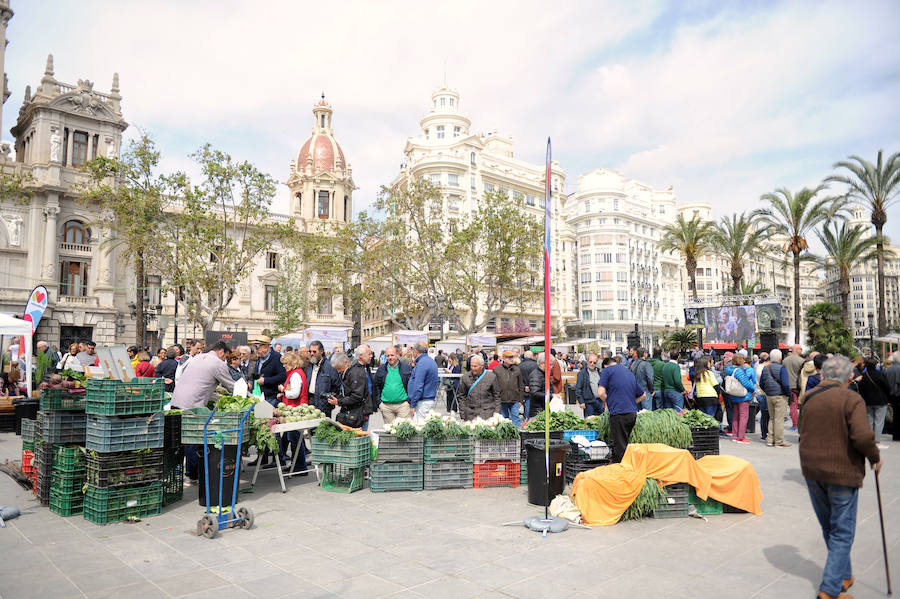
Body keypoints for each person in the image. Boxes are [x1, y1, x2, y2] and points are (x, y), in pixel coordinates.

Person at [798, 355, 881, 599]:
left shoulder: (809, 397)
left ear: (824, 374)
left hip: (812, 470)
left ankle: (844, 575)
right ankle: (829, 590)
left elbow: (802, 430)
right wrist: (875, 457)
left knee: (830, 527)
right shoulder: (850, 398)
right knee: (843, 531)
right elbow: (863, 437)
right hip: (842, 472)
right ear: (848, 377)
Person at [170, 342, 236, 483]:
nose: (225, 360)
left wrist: (218, 396)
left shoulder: (198, 358)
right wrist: (252, 398)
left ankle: (182, 472)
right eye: (226, 357)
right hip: (192, 406)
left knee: (180, 441)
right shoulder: (218, 363)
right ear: (221, 352)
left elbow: (200, 384)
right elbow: (233, 386)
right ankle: (194, 474)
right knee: (193, 440)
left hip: (176, 402)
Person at [597, 360, 645, 463]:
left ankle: (623, 473)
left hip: (619, 413)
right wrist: (631, 402)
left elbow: (600, 393)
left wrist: (610, 401)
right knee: (624, 444)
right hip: (632, 414)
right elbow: (643, 395)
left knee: (620, 448)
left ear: (605, 366)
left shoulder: (607, 370)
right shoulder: (629, 372)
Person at [278, 351, 310, 473]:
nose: (284, 365)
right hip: (295, 409)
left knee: (296, 438)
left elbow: (294, 394)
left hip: (296, 410)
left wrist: (283, 389)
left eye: (285, 363)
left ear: (292, 363)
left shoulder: (296, 375)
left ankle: (300, 466)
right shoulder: (296, 373)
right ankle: (297, 465)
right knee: (294, 438)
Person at [856, 356, 892, 449]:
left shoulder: (863, 376)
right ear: (875, 365)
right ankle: (877, 440)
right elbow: (887, 388)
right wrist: (888, 398)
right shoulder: (881, 375)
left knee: (869, 420)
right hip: (881, 401)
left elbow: (860, 389)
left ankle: (869, 440)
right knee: (879, 421)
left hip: (867, 401)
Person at [759, 348, 792, 448]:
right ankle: (779, 441)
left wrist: (767, 391)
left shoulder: (765, 368)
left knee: (772, 418)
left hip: (769, 395)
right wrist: (789, 394)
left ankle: (770, 440)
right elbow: (786, 384)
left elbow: (761, 383)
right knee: (779, 419)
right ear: (780, 358)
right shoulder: (782, 368)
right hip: (780, 395)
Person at [328, 351, 368, 429]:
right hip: (349, 411)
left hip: (357, 412)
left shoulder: (355, 373)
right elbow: (346, 392)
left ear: (346, 363)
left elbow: (357, 396)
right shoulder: (348, 372)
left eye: (339, 368)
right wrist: (337, 397)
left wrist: (339, 401)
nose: (338, 371)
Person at [373, 345, 412, 424]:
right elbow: (376, 386)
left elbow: (412, 385)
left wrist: (409, 401)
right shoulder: (381, 369)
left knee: (402, 431)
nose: (390, 357)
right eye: (388, 356)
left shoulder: (406, 368)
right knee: (390, 432)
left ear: (397, 355)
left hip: (403, 406)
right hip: (386, 407)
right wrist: (379, 403)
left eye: (392, 355)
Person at [458, 354, 502, 421]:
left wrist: (497, 413)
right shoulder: (465, 377)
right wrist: (463, 414)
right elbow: (462, 396)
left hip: (487, 414)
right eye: (471, 366)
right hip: (471, 414)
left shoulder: (491, 377)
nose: (473, 368)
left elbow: (497, 396)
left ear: (482, 366)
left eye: (475, 366)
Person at [307, 340, 343, 417]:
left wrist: (328, 399)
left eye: (314, 351)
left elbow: (336, 385)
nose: (312, 354)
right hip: (310, 402)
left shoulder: (329, 366)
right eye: (310, 351)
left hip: (323, 405)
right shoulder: (309, 366)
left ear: (321, 351)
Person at [724, 354, 755, 444]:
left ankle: (735, 435)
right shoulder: (739, 371)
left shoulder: (729, 370)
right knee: (743, 416)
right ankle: (741, 437)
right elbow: (746, 384)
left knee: (736, 416)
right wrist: (753, 390)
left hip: (733, 395)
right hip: (742, 396)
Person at [407, 342, 438, 421]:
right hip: (427, 399)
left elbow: (418, 386)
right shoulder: (430, 361)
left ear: (416, 351)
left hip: (422, 401)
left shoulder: (422, 363)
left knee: (418, 427)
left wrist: (413, 405)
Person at [493, 350, 524, 427]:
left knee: (516, 418)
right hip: (501, 399)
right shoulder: (496, 370)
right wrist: (495, 398)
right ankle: (505, 437)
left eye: (512, 357)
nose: (511, 359)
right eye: (509, 357)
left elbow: (520, 385)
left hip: (514, 399)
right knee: (503, 420)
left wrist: (521, 399)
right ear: (504, 358)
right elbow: (494, 386)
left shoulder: (517, 369)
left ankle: (519, 434)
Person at [783, 344, 806, 430]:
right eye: (801, 349)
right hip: (799, 385)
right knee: (798, 405)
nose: (802, 351)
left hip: (789, 385)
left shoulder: (785, 360)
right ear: (797, 350)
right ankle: (799, 424)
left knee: (792, 405)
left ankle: (794, 424)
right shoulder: (801, 361)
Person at [518, 350, 538, 419]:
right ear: (532, 356)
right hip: (534, 388)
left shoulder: (520, 365)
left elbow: (518, 379)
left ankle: (527, 419)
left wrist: (524, 386)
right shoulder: (536, 365)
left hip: (524, 389)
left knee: (526, 404)